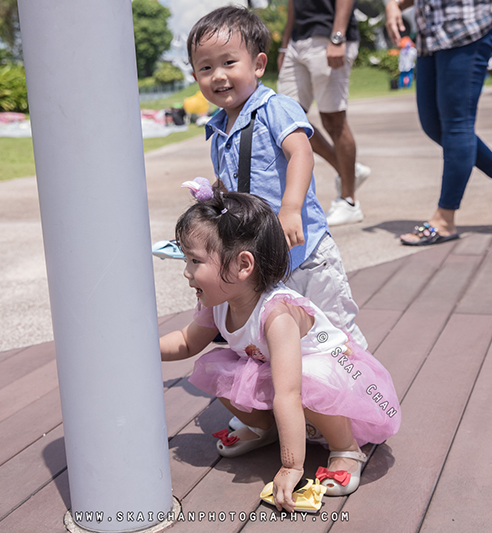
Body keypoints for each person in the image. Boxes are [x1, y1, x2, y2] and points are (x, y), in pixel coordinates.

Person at [160, 191, 401, 510]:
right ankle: (265, 428)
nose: (186, 272)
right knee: (216, 367)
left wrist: (291, 466)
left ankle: (345, 447)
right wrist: (140, 347)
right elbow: (186, 342)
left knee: (308, 379)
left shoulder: (277, 315)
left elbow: (289, 393)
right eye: (186, 260)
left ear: (243, 265)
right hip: (279, 375)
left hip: (332, 377)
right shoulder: (218, 302)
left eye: (195, 261)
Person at [187, 6, 366, 348]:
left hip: (307, 253)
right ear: (196, 77)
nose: (218, 75)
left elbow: (301, 153)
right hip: (268, 260)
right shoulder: (218, 131)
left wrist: (291, 208)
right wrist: (211, 200)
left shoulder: (275, 108)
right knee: (291, 338)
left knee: (336, 335)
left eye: (229, 62)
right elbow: (233, 185)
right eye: (206, 68)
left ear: (258, 64)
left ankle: (361, 380)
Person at [385, 0, 492, 245]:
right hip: (429, 31)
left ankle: (445, 220)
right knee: (433, 124)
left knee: (457, 124)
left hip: (468, 23)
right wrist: (394, 4)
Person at [277, 0, 370, 226]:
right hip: (297, 40)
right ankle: (348, 170)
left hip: (328, 35)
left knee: (333, 120)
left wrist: (337, 36)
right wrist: (284, 45)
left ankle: (349, 202)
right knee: (288, 119)